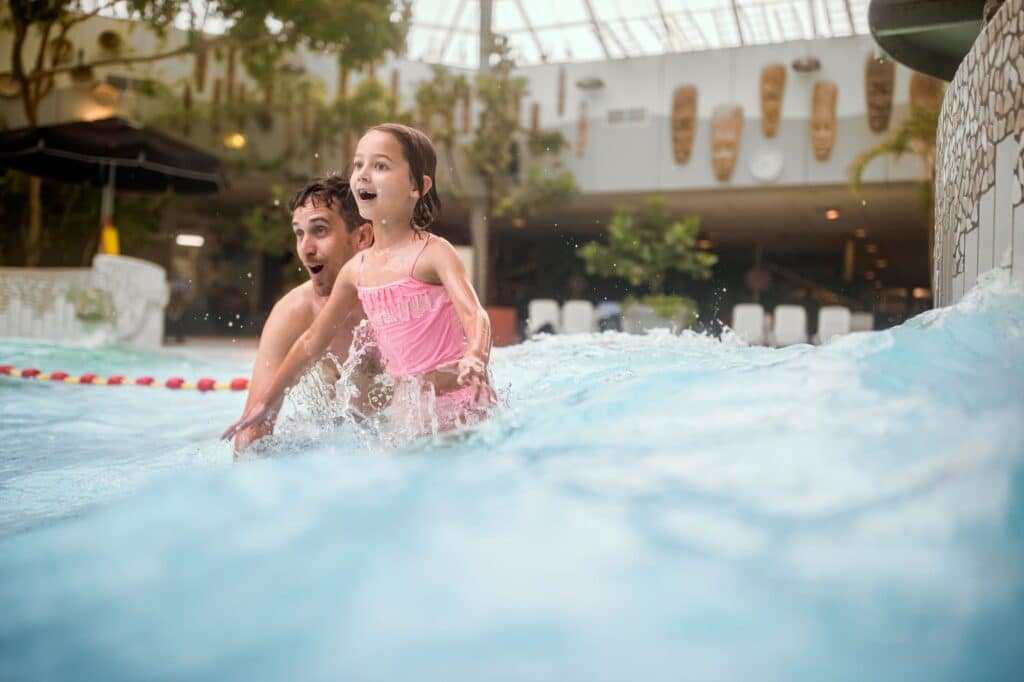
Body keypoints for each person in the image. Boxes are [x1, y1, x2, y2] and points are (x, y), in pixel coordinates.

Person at [223, 123, 494, 442]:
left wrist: (476, 355)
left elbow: (475, 314)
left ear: (417, 186)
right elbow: (311, 341)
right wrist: (266, 402)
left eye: (380, 166)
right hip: (408, 413)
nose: (363, 174)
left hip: (459, 402)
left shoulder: (434, 253)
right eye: (358, 164)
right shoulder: (356, 272)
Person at [232, 174, 376, 454]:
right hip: (333, 446)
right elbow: (254, 426)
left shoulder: (397, 304)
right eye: (299, 233)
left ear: (361, 237)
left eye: (320, 231)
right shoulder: (292, 314)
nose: (305, 249)